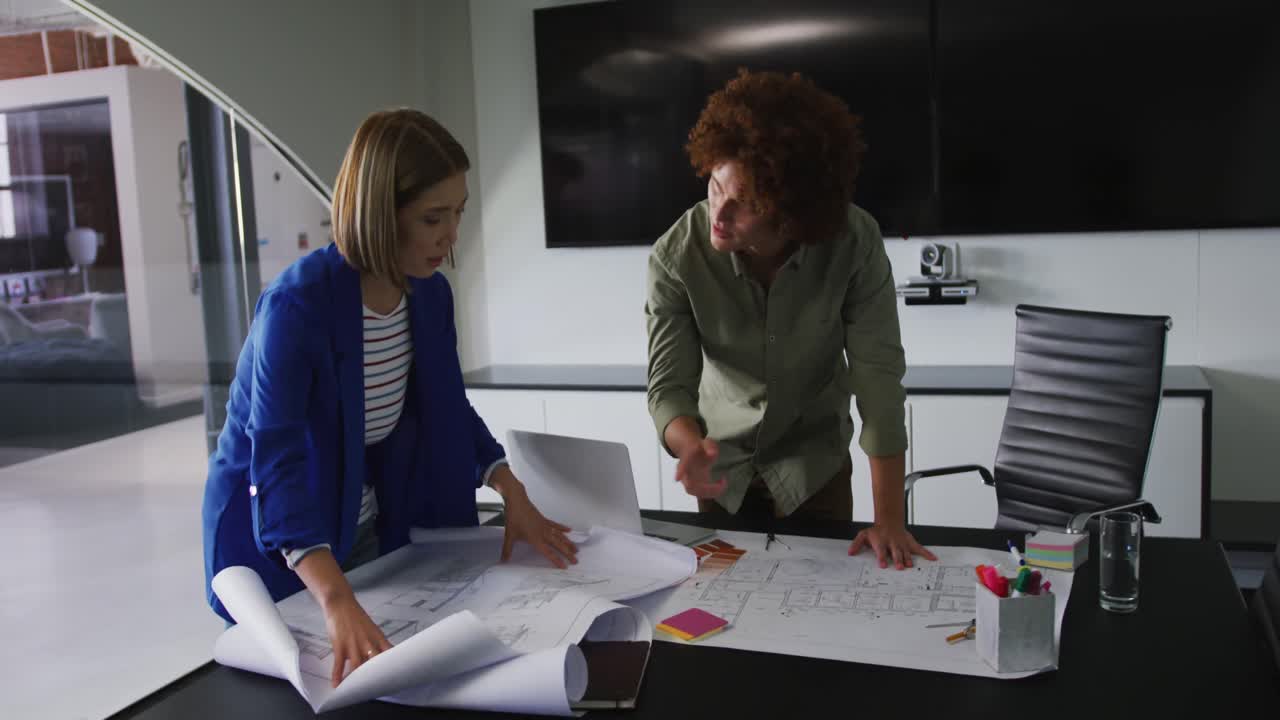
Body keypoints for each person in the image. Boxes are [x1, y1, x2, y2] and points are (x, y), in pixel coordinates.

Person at [202, 109, 577, 687]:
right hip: (279, 538)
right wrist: (334, 598)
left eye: (458, 213)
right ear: (381, 215)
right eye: (434, 217)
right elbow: (276, 467)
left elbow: (449, 409)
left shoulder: (429, 295)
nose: (452, 235)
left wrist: (512, 489)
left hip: (364, 514)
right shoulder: (295, 310)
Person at [645, 69, 936, 571]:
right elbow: (668, 386)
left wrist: (889, 517)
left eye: (746, 203)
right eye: (716, 186)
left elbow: (878, 382)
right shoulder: (676, 256)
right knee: (730, 612)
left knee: (820, 614)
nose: (719, 213)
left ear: (791, 209)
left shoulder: (853, 243)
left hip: (814, 466)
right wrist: (689, 446)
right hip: (722, 469)